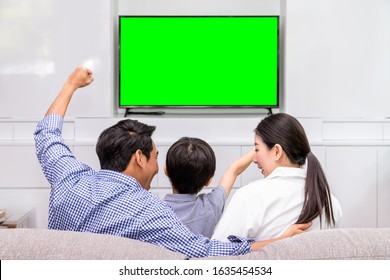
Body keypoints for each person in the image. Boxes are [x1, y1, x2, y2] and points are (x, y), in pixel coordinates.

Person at [34, 66, 311, 259]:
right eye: (155, 156)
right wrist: (279, 241)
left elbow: (47, 133)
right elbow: (206, 251)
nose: (156, 166)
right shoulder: (150, 212)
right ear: (139, 158)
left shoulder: (68, 179)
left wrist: (70, 85)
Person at [212, 113, 343, 242]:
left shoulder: (250, 197)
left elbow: (215, 255)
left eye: (257, 149)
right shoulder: (331, 203)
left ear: (277, 151)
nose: (254, 159)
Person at [163, 137, 253, 238]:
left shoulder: (154, 212)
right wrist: (257, 149)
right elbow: (234, 170)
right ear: (208, 181)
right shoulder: (210, 207)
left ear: (165, 170)